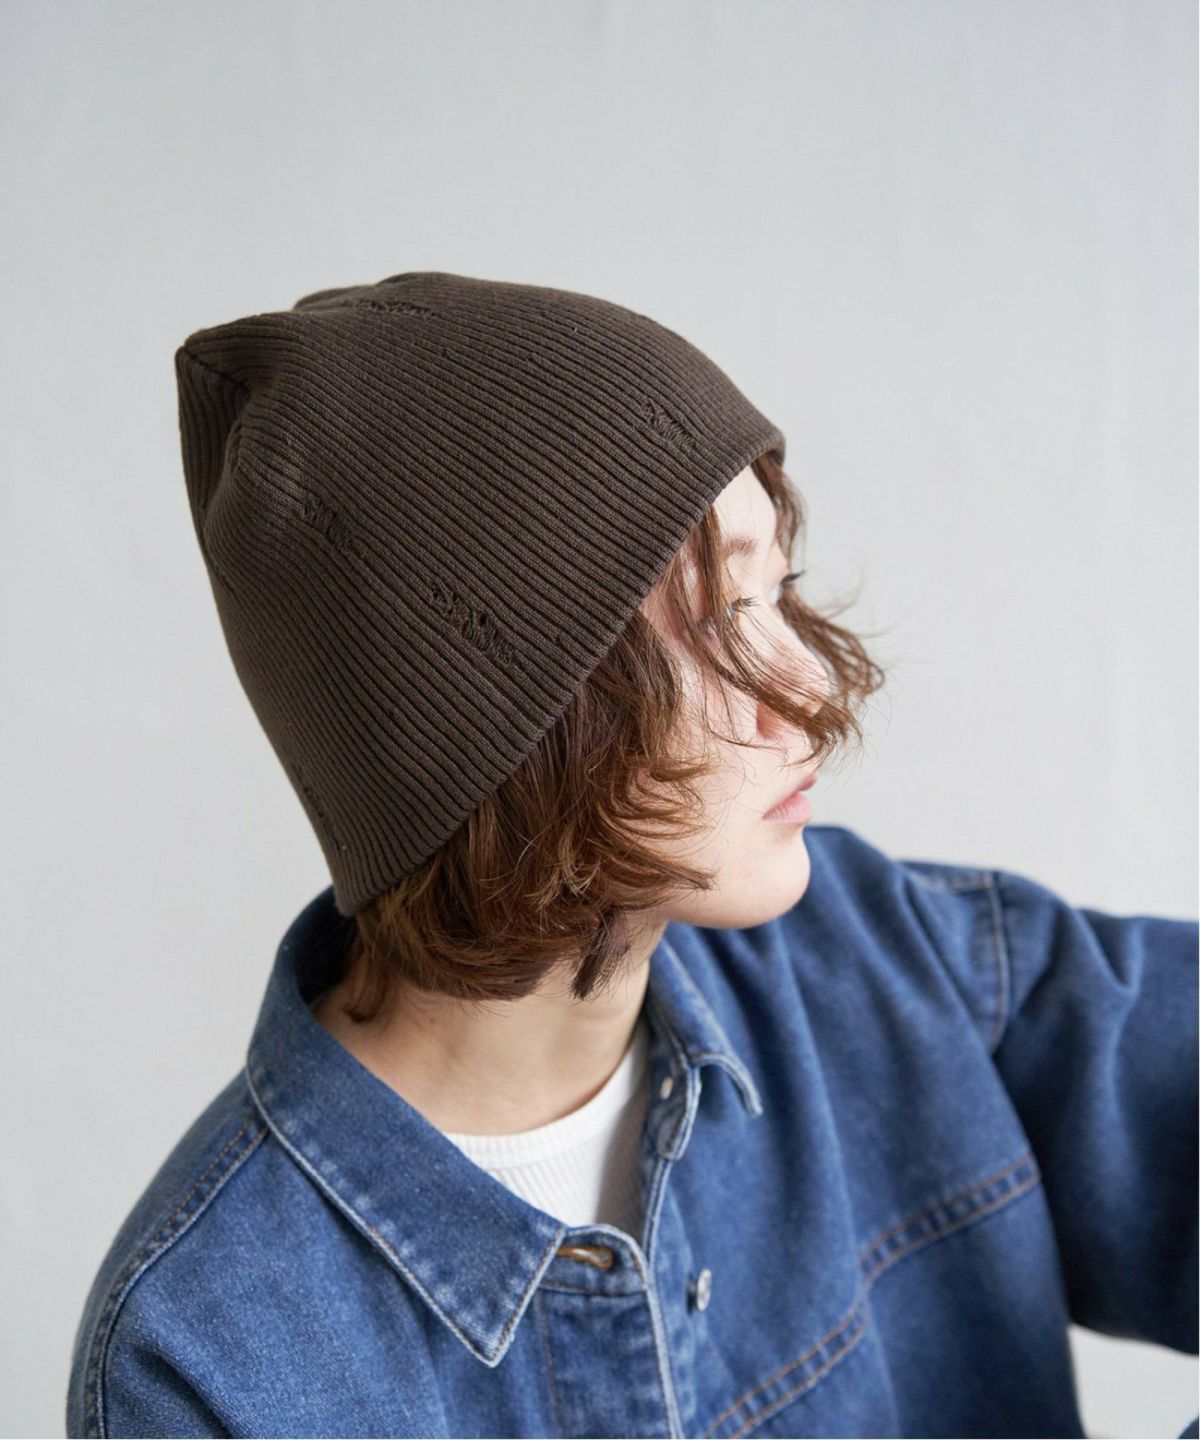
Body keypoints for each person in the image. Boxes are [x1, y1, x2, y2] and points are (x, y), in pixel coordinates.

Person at [66, 272, 1197, 1439]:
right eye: (718, 620)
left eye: (780, 588)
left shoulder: (878, 963)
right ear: (500, 729)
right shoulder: (209, 1361)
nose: (809, 687)